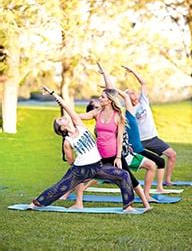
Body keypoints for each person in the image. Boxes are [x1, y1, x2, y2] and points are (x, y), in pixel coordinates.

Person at [29, 86, 139, 212]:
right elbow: (70, 160)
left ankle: (128, 207)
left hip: (97, 166)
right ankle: (36, 203)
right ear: (62, 128)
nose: (65, 118)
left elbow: (69, 110)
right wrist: (78, 171)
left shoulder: (80, 127)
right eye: (61, 120)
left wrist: (53, 94)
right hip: (81, 169)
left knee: (124, 175)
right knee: (60, 187)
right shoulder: (67, 141)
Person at [78, 67, 150, 208]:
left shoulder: (118, 116)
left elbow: (119, 138)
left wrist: (118, 157)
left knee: (130, 178)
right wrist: (69, 114)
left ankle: (145, 203)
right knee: (81, 172)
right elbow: (83, 116)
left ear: (110, 100)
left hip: (113, 154)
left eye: (102, 97)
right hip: (98, 153)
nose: (99, 98)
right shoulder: (97, 111)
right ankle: (75, 201)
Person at [122, 66, 176, 186]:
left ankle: (167, 180)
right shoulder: (129, 110)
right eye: (130, 92)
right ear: (126, 97)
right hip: (139, 142)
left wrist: (133, 71)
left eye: (133, 91)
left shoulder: (143, 101)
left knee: (172, 154)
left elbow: (143, 83)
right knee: (149, 163)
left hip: (153, 138)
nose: (133, 92)